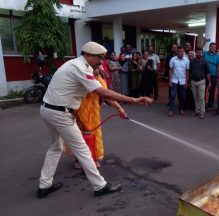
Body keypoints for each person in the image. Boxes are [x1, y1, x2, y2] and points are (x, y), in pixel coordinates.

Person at [38, 41, 152, 198]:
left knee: (55, 147)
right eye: (99, 58)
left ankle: (44, 185)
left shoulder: (74, 64)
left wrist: (120, 107)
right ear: (88, 55)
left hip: (48, 110)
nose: (101, 61)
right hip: (59, 113)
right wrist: (134, 100)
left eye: (102, 58)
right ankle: (100, 186)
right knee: (82, 149)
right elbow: (103, 93)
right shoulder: (80, 68)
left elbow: (101, 92)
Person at [72, 68, 126, 168]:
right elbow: (72, 99)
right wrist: (77, 118)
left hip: (94, 113)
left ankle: (94, 158)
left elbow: (107, 95)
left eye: (98, 67)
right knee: (79, 137)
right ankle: (80, 160)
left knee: (94, 136)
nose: (97, 69)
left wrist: (120, 109)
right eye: (94, 68)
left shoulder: (100, 79)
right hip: (79, 111)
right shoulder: (81, 79)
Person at [168, 46, 190, 117]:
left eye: (181, 51)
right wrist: (170, 81)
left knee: (182, 96)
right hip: (174, 80)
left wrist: (186, 82)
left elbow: (187, 72)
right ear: (177, 51)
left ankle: (181, 109)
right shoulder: (173, 59)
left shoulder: (187, 60)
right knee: (172, 95)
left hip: (183, 81)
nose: (180, 52)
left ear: (183, 52)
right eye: (179, 51)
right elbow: (170, 70)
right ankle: (171, 110)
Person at [189, 47, 210, 119]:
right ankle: (197, 110)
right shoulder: (192, 61)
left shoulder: (205, 62)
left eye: (200, 53)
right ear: (195, 53)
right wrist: (189, 81)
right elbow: (190, 72)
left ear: (202, 53)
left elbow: (208, 73)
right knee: (195, 97)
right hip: (193, 81)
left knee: (201, 97)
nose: (199, 54)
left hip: (202, 82)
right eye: (197, 53)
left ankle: (202, 112)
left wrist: (209, 82)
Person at [204, 42, 219, 111]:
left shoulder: (218, 56)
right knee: (203, 90)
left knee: (212, 91)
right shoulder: (204, 54)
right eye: (212, 47)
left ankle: (210, 105)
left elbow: (218, 67)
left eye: (214, 47)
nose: (213, 48)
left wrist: (217, 77)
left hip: (213, 76)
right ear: (209, 47)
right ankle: (203, 104)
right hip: (204, 75)